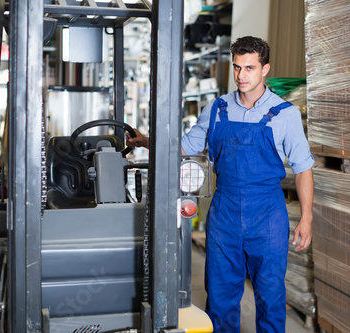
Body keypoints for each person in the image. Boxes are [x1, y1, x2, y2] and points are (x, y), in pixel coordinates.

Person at [127, 36, 314, 333]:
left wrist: (306, 217)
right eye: (237, 67)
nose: (241, 76)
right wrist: (146, 141)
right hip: (225, 212)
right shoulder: (217, 109)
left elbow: (304, 168)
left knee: (270, 295)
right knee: (221, 295)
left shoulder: (285, 115)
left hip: (267, 214)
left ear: (265, 69)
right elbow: (186, 146)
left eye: (250, 68)